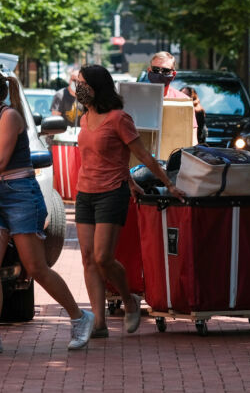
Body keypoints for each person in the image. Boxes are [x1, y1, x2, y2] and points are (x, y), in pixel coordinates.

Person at [0, 69, 95, 353]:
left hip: (21, 196)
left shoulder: (10, 117)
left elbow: (0, 161)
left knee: (35, 268)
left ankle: (80, 317)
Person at [74, 65, 186, 338]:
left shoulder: (119, 118)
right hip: (84, 193)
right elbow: (105, 158)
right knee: (89, 259)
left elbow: (143, 156)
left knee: (103, 258)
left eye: (82, 83)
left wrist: (169, 184)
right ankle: (99, 324)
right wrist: (131, 180)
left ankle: (129, 299)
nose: (77, 88)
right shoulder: (85, 117)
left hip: (111, 193)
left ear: (96, 86)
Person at [146, 51, 198, 145]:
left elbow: (192, 139)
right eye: (156, 69)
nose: (160, 73)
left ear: (173, 74)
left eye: (165, 71)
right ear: (149, 71)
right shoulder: (136, 97)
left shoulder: (184, 101)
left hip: (172, 155)